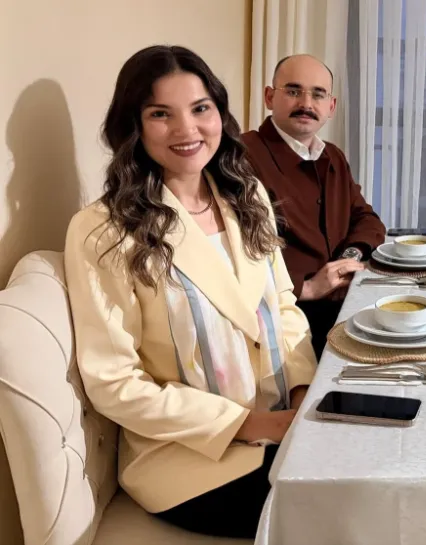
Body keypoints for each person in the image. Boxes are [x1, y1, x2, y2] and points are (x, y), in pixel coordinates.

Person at [64, 45, 318, 538]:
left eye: (200, 108)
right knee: (345, 506)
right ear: (133, 126)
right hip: (191, 462)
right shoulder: (104, 229)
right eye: (161, 114)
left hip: (287, 423)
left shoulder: (246, 195)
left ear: (219, 113)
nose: (187, 130)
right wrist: (257, 426)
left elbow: (283, 307)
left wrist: (304, 396)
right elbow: (114, 382)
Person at [242, 54, 386, 358]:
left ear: (330, 106)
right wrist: (304, 288)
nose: (306, 103)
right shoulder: (241, 157)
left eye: (318, 94)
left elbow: (366, 219)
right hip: (286, 321)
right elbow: (236, 251)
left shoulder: (333, 156)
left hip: (345, 307)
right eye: (293, 91)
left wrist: (349, 258)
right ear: (269, 97)